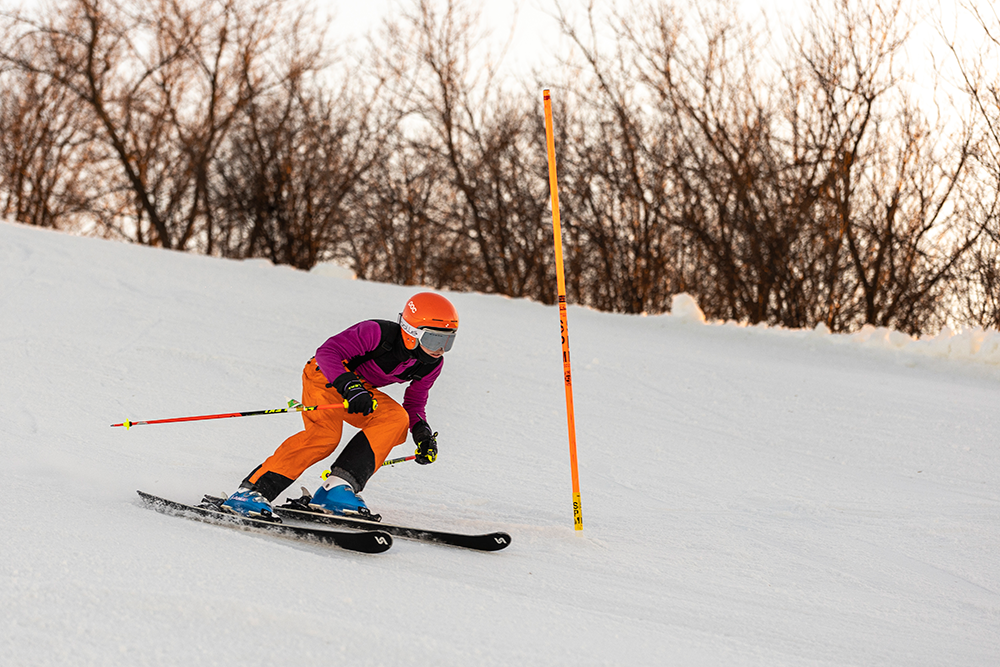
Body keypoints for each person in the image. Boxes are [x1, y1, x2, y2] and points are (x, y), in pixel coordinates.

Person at [221, 292, 458, 520]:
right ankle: (252, 492)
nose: (440, 349)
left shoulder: (430, 364)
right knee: (325, 437)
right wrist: (350, 386)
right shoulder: (377, 332)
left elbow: (415, 402)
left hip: (359, 389)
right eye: (434, 339)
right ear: (411, 332)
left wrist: (422, 433)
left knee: (396, 419)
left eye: (448, 340)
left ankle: (335, 489)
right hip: (325, 376)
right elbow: (328, 352)